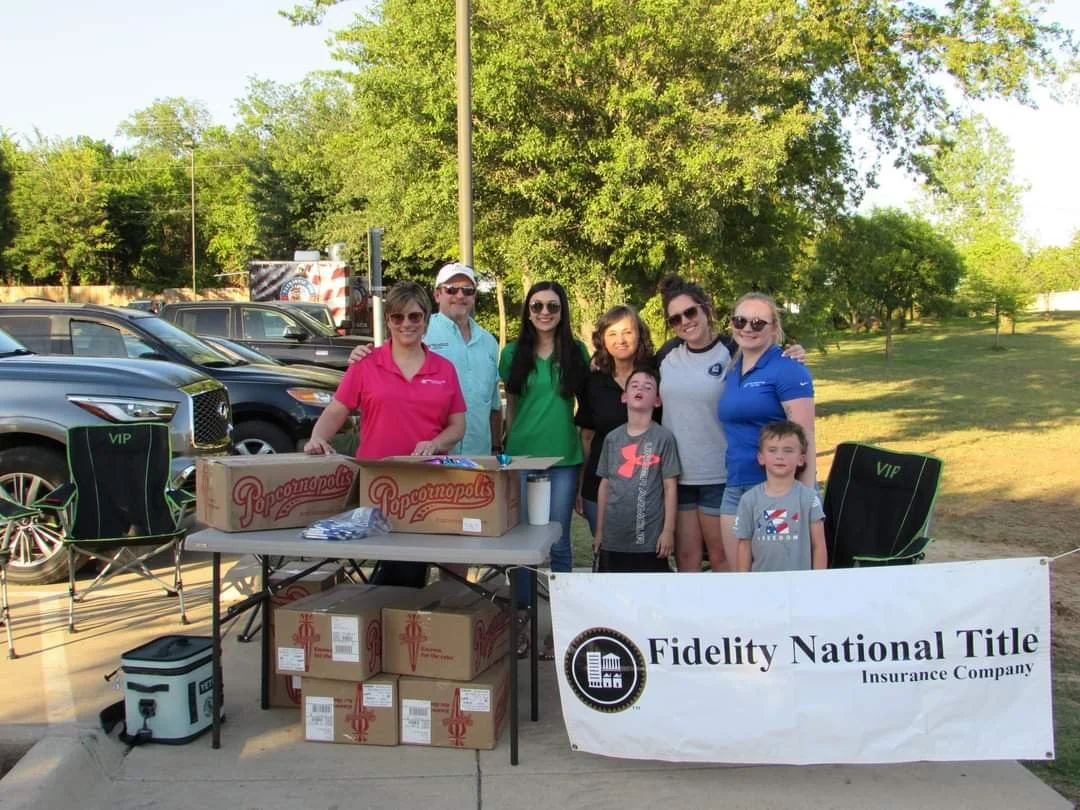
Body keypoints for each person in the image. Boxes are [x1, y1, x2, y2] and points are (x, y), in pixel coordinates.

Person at [305, 280, 466, 587]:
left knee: (408, 565)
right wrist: (318, 437)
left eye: (415, 317)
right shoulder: (366, 364)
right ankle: (382, 621)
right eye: (398, 317)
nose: (406, 324)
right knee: (397, 565)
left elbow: (458, 426)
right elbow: (338, 410)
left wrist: (435, 443)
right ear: (389, 321)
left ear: (426, 320)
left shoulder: (444, 369)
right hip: (377, 482)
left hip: (426, 484)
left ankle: (393, 622)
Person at [657, 275, 805, 574]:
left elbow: (769, 362)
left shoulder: (733, 350)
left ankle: (727, 619)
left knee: (724, 557)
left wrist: (795, 354)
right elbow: (634, 380)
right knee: (686, 559)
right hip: (678, 476)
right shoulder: (665, 355)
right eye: (675, 318)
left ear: (705, 309)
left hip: (721, 474)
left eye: (690, 312)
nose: (685, 322)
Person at [500, 281, 589, 658]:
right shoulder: (511, 353)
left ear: (562, 310)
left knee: (560, 542)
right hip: (521, 457)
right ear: (528, 311)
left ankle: (563, 629)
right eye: (537, 306)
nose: (545, 312)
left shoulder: (576, 352)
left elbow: (588, 406)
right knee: (521, 543)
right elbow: (512, 406)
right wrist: (504, 446)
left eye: (552, 306)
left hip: (563, 458)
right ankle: (522, 621)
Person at [348, 262, 502, 455]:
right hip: (432, 460)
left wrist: (497, 447)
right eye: (451, 290)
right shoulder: (419, 330)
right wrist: (360, 355)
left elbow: (493, 404)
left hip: (479, 456)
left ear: (474, 295)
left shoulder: (489, 342)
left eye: (467, 290)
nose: (460, 295)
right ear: (437, 295)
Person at [718, 292, 817, 573]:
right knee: (739, 578)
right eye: (740, 320)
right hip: (735, 487)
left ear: (774, 328)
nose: (748, 328)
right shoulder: (733, 367)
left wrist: (808, 498)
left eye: (758, 323)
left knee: (775, 582)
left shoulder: (787, 369)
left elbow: (805, 437)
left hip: (777, 491)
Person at [575, 304, 656, 534]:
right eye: (612, 334)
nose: (620, 340)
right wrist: (581, 485)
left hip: (647, 485)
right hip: (600, 482)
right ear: (602, 340)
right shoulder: (593, 381)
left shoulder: (655, 375)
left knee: (643, 553)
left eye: (627, 332)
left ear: (640, 334)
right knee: (605, 550)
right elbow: (587, 436)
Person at [592, 366, 680, 572]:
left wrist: (668, 530)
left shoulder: (664, 438)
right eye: (635, 385)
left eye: (648, 387)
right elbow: (605, 485)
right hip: (614, 537)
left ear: (657, 401)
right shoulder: (612, 438)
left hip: (649, 539)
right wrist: (599, 532)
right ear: (624, 396)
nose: (640, 389)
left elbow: (670, 487)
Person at [734, 420, 826, 572]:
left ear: (801, 459)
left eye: (788, 450)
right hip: (761, 586)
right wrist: (744, 583)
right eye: (772, 450)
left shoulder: (809, 498)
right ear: (761, 458)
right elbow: (744, 545)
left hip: (799, 584)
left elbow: (819, 546)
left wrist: (818, 581)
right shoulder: (749, 500)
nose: (780, 456)